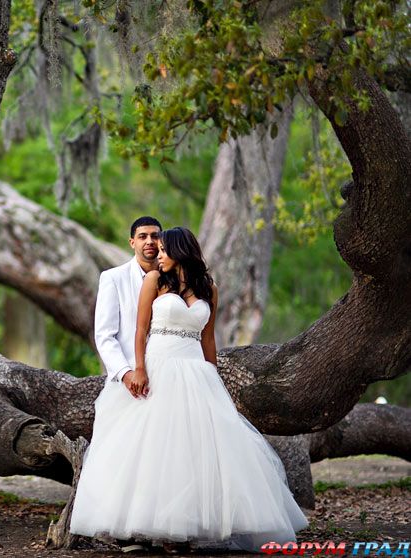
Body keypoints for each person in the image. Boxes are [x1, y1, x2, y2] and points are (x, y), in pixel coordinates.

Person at [70, 227, 307, 552]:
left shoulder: (209, 288)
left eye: (165, 249)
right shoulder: (154, 282)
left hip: (196, 371)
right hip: (159, 366)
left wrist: (215, 380)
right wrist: (138, 369)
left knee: (196, 451)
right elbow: (140, 331)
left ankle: (187, 530)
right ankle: (138, 533)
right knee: (152, 448)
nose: (159, 254)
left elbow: (208, 339)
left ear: (181, 252)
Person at [94, 216, 162, 398]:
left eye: (155, 236)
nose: (149, 241)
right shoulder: (114, 278)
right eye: (143, 236)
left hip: (169, 375)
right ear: (132, 242)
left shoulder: (175, 278)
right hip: (131, 380)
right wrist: (125, 374)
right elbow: (104, 335)